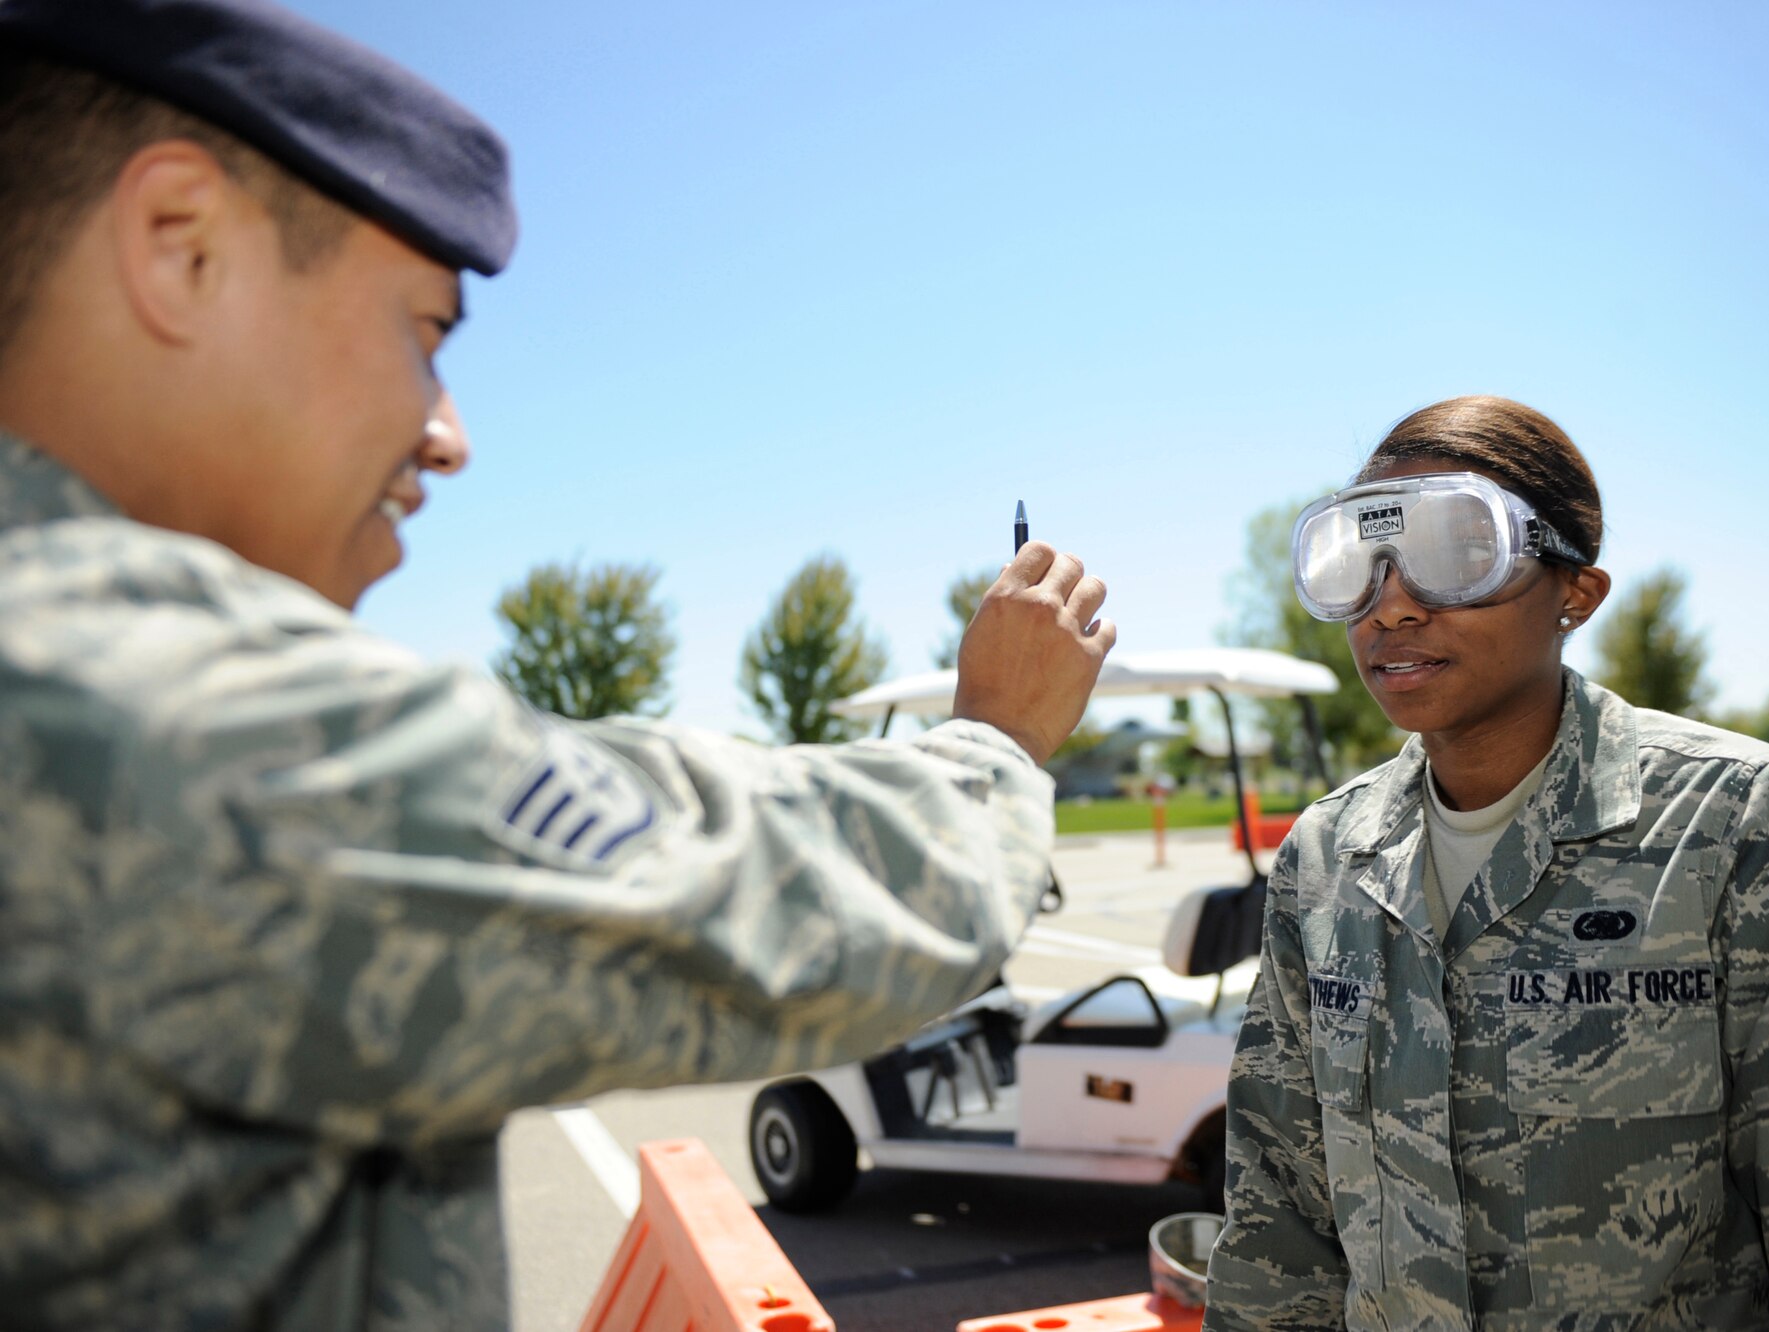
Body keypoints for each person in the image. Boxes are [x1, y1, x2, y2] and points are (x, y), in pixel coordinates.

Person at [0, 1, 1116, 1328]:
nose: (450, 436)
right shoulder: (142, 696)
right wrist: (992, 742)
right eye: (425, 332)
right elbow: (768, 907)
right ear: (180, 250)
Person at [1204, 396, 1769, 1330]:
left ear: (1575, 594)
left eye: (1458, 554)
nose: (1394, 604)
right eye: (1355, 566)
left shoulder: (1741, 828)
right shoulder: (1329, 859)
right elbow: (1278, 1223)